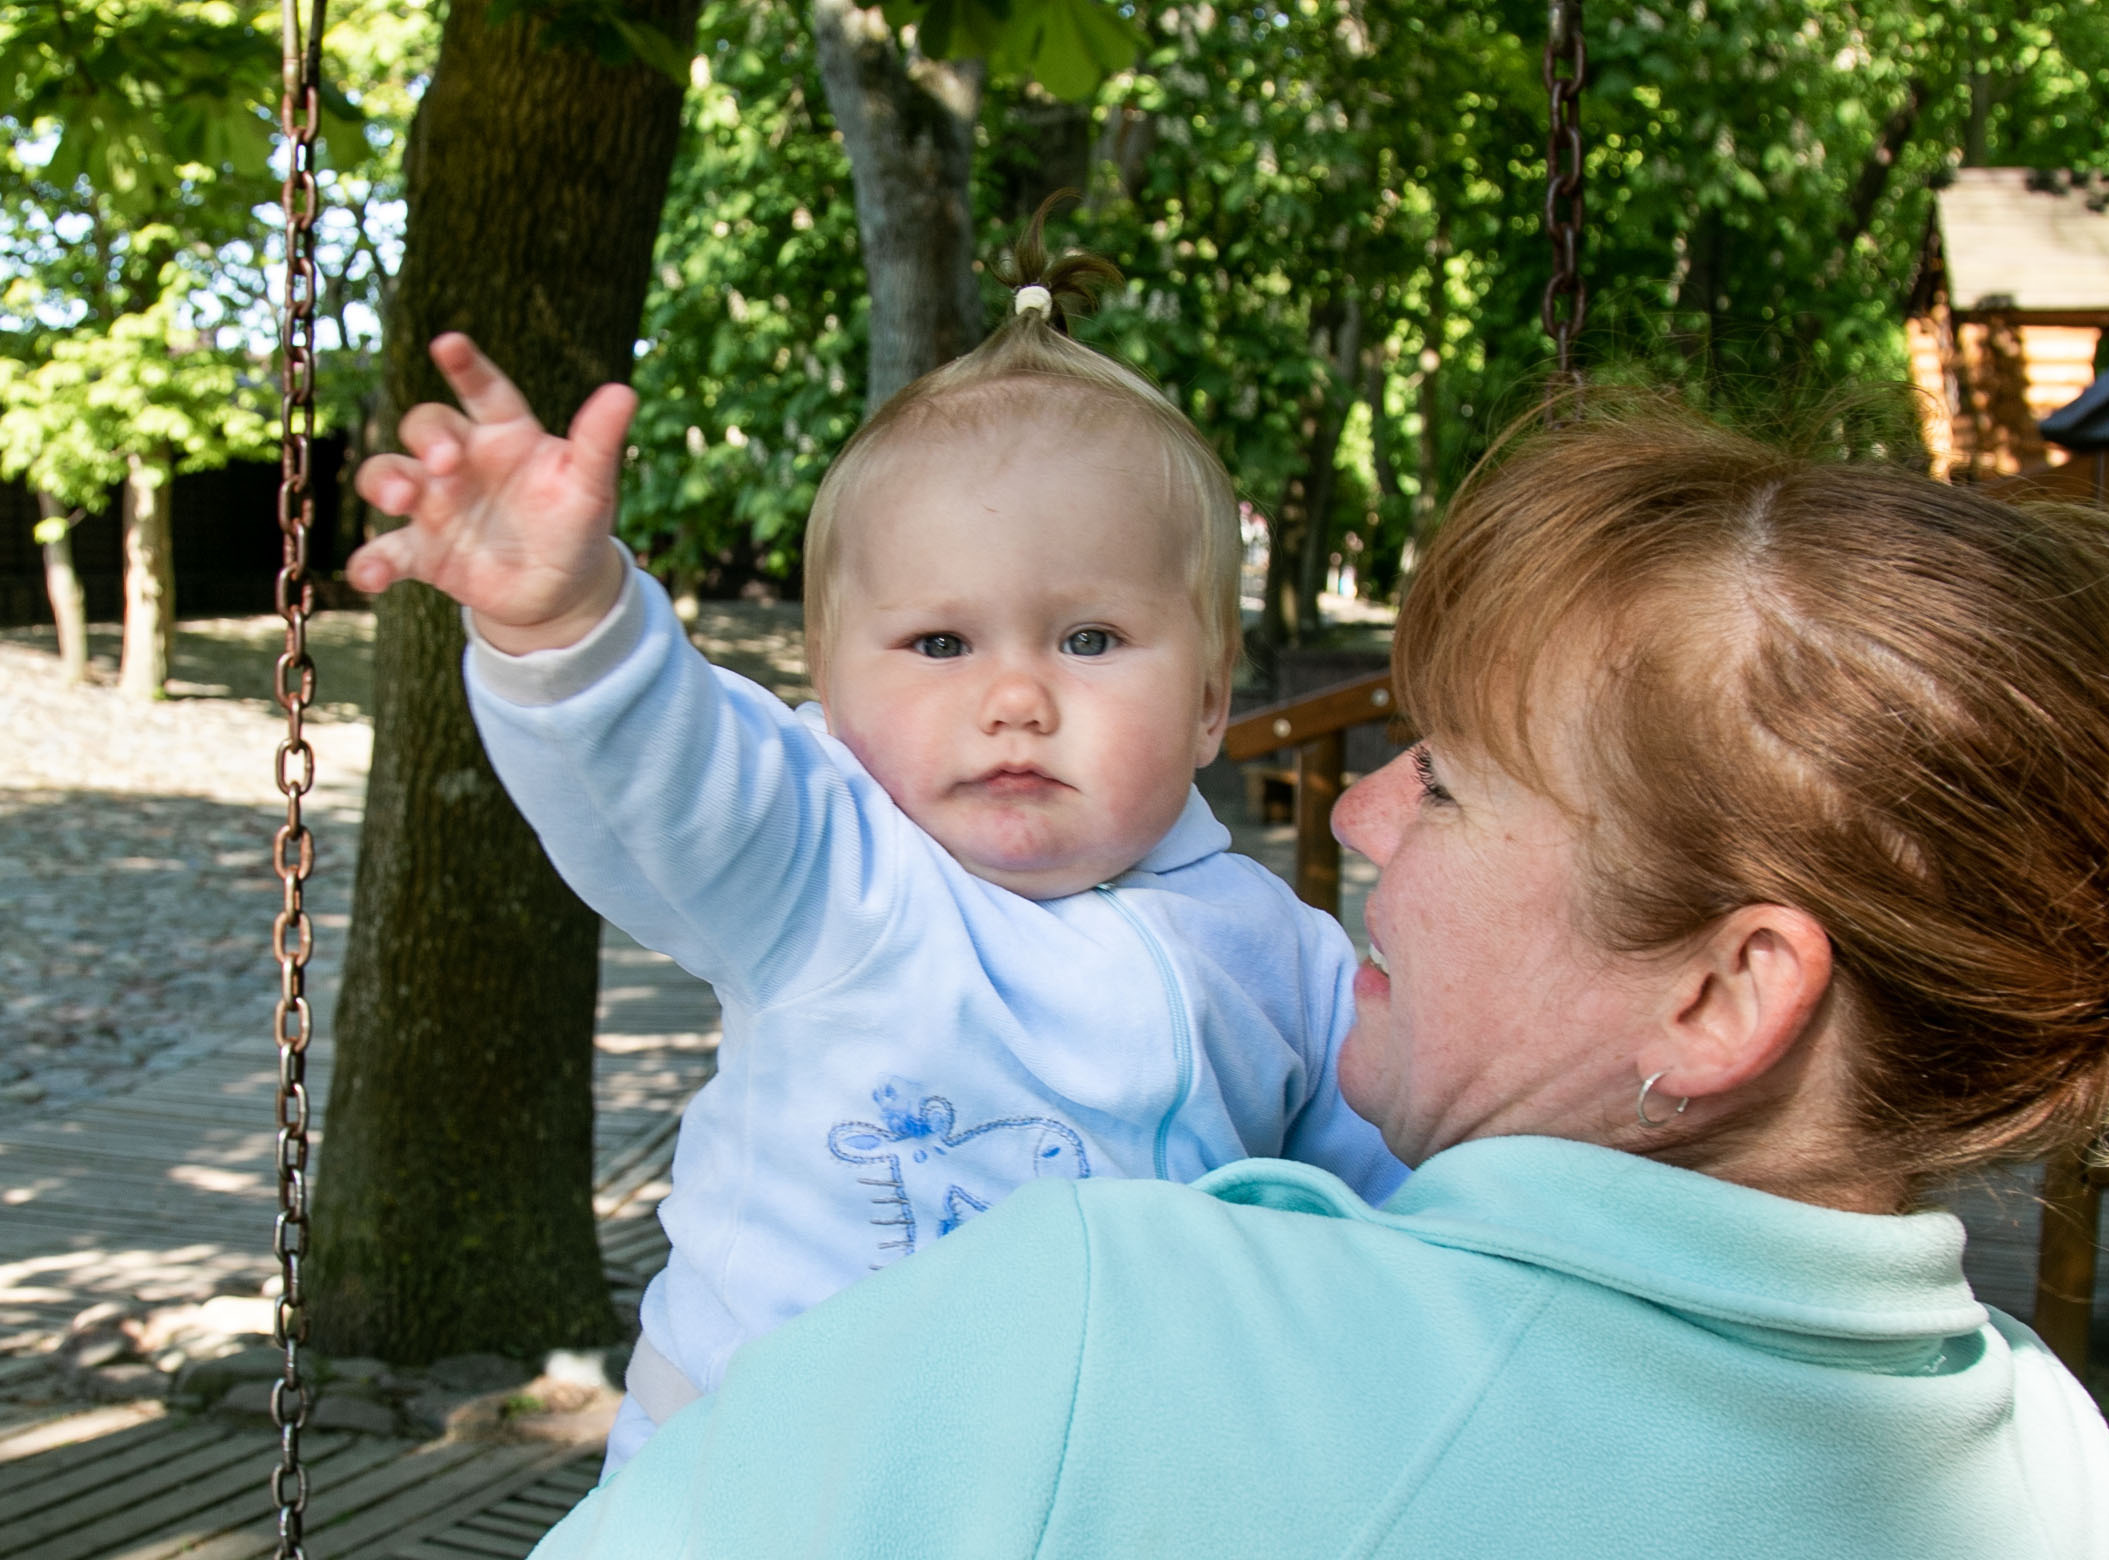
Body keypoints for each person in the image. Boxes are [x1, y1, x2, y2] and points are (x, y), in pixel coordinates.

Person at [466, 396, 2109, 1560]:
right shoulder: (2046, 1473)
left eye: (1450, 781)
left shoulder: (1099, 1327)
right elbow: (691, 783)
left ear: (1722, 992)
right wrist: (575, 637)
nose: (1366, 812)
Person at [346, 230, 1407, 1472]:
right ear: (836, 695)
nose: (1015, 697)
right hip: (769, 1496)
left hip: (1103, 1508)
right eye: (941, 645)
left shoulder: (1282, 953)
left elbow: (1407, 1190)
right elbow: (670, 770)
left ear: (1213, 699)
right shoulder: (824, 871)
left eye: (1090, 638)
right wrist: (569, 624)